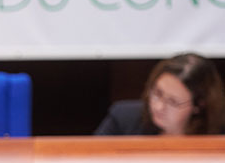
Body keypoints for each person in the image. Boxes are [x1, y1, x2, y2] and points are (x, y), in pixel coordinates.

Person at [95, 53, 225, 136]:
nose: (159, 107)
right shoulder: (123, 120)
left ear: (198, 105)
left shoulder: (219, 135)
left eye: (172, 101)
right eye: (157, 93)